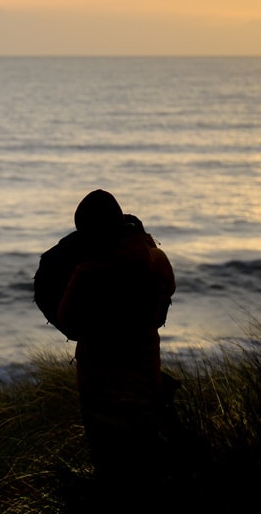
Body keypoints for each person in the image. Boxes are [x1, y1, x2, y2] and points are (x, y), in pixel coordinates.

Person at [34, 189, 176, 497]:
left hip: (100, 388)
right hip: (145, 376)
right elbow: (163, 304)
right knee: (146, 472)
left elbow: (68, 320)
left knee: (111, 472)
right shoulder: (156, 259)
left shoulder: (87, 272)